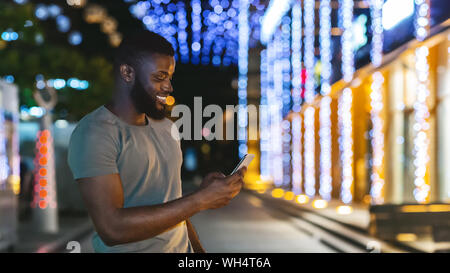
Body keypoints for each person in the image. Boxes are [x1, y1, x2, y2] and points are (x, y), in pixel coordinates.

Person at [67, 31, 246, 253]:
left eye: (170, 77)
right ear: (127, 72)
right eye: (159, 77)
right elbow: (112, 229)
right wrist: (200, 200)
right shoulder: (95, 133)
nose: (169, 87)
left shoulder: (167, 128)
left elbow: (172, 206)